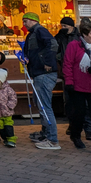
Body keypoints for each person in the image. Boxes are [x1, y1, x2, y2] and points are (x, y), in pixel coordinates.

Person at [22, 12, 60, 150]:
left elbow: (53, 44)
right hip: (39, 73)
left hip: (44, 73)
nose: (24, 24)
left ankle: (53, 139)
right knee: (40, 103)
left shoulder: (40, 31)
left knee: (44, 105)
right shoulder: (32, 34)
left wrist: (47, 62)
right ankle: (46, 133)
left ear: (33, 21)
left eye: (26, 21)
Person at [55, 17, 91, 138]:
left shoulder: (82, 42)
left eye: (65, 26)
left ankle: (89, 131)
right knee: (77, 111)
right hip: (76, 83)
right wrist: (69, 81)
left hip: (88, 83)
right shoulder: (73, 44)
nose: (63, 28)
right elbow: (67, 63)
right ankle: (75, 134)